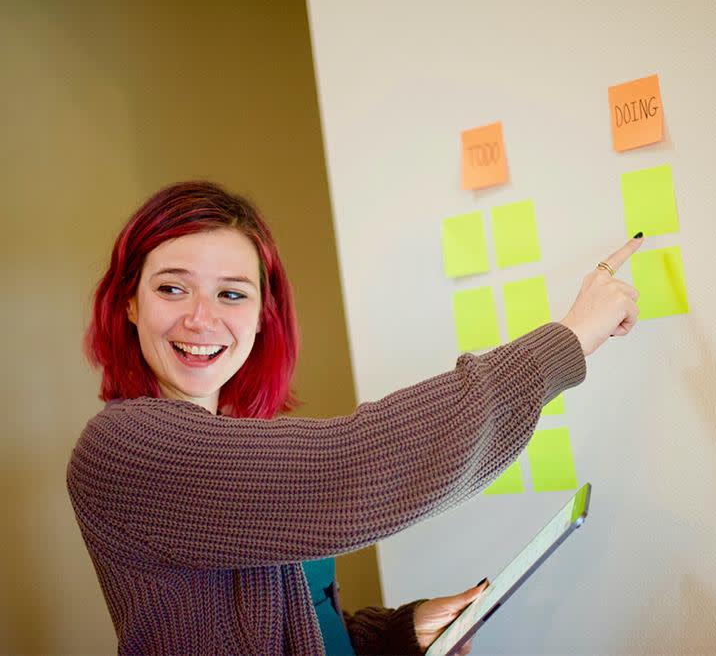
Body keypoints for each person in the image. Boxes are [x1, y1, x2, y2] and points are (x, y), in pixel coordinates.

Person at [67, 181, 642, 655]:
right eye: (173, 288)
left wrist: (397, 633)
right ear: (130, 303)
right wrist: (569, 339)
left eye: (232, 294)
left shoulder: (242, 440)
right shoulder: (123, 447)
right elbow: (352, 466)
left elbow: (301, 623)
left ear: (263, 316)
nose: (201, 318)